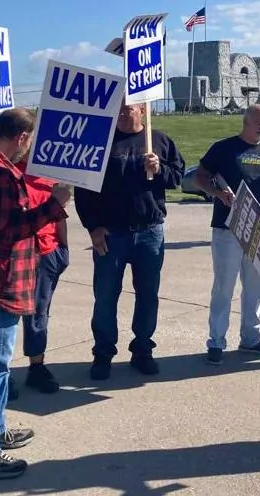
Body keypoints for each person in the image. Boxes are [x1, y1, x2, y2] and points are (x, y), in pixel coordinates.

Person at [0, 108, 72, 478]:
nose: (30, 148)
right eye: (30, 140)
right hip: (0, 281)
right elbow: (10, 228)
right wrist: (54, 205)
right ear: (21, 137)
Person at [74, 98, 185, 380]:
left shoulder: (159, 140)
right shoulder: (101, 142)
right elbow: (83, 189)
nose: (122, 114)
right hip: (110, 235)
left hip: (149, 232)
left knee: (148, 295)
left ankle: (142, 349)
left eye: (128, 109)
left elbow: (178, 177)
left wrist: (159, 169)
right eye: (118, 109)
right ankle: (103, 353)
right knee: (105, 296)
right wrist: (92, 227)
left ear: (143, 110)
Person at [192, 104, 260, 366]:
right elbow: (199, 177)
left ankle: (251, 338)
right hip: (228, 228)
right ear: (246, 121)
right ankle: (216, 342)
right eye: (259, 121)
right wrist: (217, 193)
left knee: (255, 286)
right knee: (224, 286)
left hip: (257, 229)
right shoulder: (224, 148)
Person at [9, 155, 70, 395]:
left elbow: (59, 214)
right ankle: (1, 373)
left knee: (39, 313)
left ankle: (37, 366)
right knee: (7, 316)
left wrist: (63, 249)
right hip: (19, 255)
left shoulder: (48, 172)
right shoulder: (9, 174)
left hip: (48, 253)